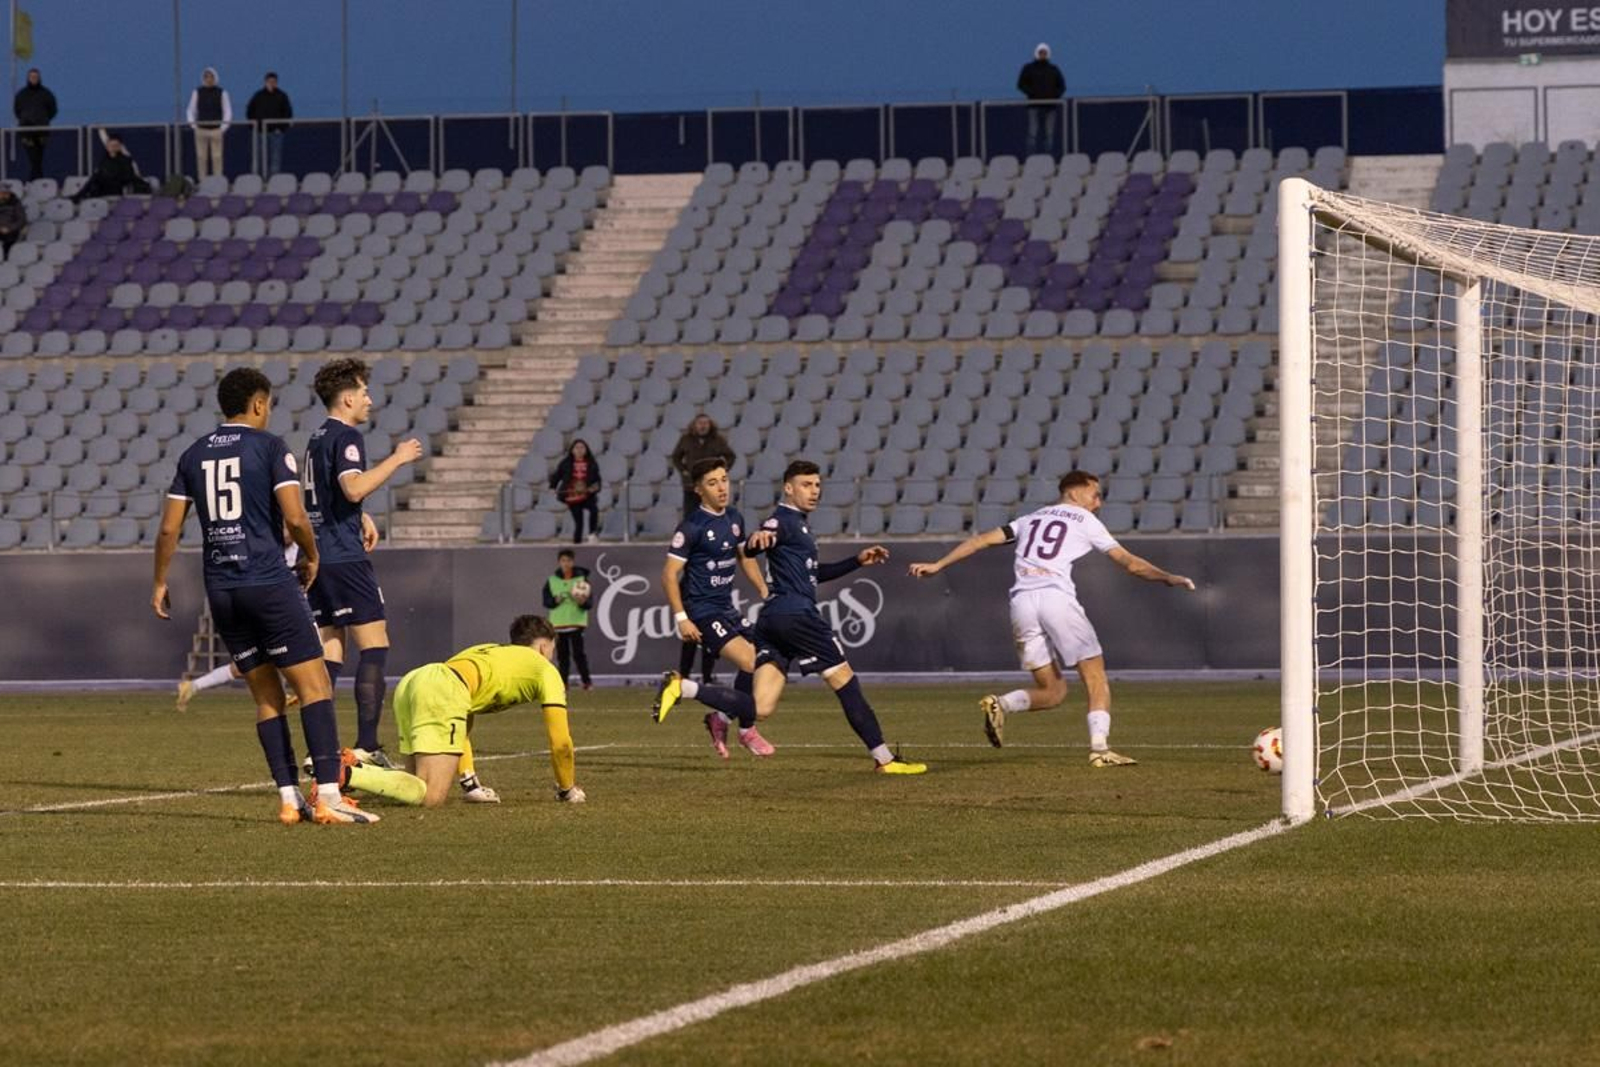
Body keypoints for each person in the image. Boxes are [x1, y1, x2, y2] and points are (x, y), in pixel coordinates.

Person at [151, 366, 373, 824]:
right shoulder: (270, 447)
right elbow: (294, 519)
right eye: (268, 405)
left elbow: (170, 527)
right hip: (268, 581)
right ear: (257, 404)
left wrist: (159, 581)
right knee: (316, 687)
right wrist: (312, 555)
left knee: (267, 698)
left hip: (223, 590)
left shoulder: (193, 455)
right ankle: (329, 796)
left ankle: (290, 799)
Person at [909, 470, 1195, 765]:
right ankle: (1100, 750)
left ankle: (1001, 704)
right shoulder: (1085, 520)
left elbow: (980, 540)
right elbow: (1130, 563)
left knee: (1054, 691)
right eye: (1095, 495)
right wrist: (1167, 577)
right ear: (1074, 492)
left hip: (1021, 604)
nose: (1098, 503)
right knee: (1095, 675)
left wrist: (938, 564)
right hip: (1055, 599)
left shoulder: (1028, 519)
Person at [660, 459, 926, 775]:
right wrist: (761, 539)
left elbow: (815, 574)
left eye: (816, 485)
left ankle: (686, 690)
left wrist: (856, 561)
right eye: (806, 485)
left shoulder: (799, 526)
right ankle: (885, 759)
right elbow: (765, 535)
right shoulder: (783, 520)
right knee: (845, 682)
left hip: (773, 621)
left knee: (761, 707)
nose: (814, 491)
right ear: (789, 488)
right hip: (797, 617)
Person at [302, 358, 424, 768]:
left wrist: (361, 517)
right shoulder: (347, 436)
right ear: (348, 397)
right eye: (365, 392)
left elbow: (326, 496)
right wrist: (397, 458)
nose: (370, 400)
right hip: (345, 558)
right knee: (374, 646)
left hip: (318, 556)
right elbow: (352, 488)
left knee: (331, 652)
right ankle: (368, 748)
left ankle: (320, 751)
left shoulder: (315, 438)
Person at [384, 614, 585, 807]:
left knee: (415, 787)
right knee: (431, 797)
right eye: (553, 648)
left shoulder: (490, 651)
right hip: (443, 688)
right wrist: (567, 788)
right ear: (544, 647)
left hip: (413, 681)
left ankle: (357, 772)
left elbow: (461, 712)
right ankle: (354, 774)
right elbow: (560, 742)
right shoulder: (545, 669)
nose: (552, 655)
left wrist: (470, 784)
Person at [652, 457, 777, 759]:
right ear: (698, 490)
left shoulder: (734, 518)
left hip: (727, 609)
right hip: (703, 611)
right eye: (713, 482)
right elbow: (669, 575)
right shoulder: (692, 527)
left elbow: (744, 557)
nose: (722, 487)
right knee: (750, 662)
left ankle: (720, 718)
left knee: (763, 658)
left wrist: (763, 589)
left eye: (724, 480)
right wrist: (682, 618)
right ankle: (745, 730)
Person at [543, 549, 594, 690]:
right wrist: (555, 600)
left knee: (579, 654)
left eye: (568, 561)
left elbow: (589, 603)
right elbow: (546, 602)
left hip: (576, 623)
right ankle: (563, 684)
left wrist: (581, 601)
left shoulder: (581, 580)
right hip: (558, 624)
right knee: (562, 656)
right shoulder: (552, 581)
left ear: (573, 562)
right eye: (563, 561)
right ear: (559, 562)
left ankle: (587, 682)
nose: (566, 564)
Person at [671, 413, 736, 514]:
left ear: (710, 425)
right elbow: (676, 457)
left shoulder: (717, 440)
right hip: (691, 485)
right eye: (700, 423)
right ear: (695, 425)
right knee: (691, 515)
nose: (703, 426)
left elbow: (730, 456)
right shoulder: (686, 439)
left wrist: (722, 471)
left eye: (706, 423)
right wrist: (683, 470)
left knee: (712, 514)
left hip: (712, 485)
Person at [1017, 43, 1066, 158]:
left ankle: (1048, 158)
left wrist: (1054, 96)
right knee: (1032, 133)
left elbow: (1062, 86)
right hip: (1033, 106)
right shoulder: (1028, 68)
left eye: (1044, 53)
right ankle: (1030, 157)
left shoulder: (1054, 69)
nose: (1042, 55)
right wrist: (1032, 93)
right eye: (1040, 53)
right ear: (1036, 53)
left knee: (1049, 134)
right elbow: (1020, 84)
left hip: (1050, 106)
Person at [548, 438, 601, 543]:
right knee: (579, 522)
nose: (579, 450)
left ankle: (592, 534)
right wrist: (552, 487)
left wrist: (593, 489)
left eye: (582, 447)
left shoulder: (592, 463)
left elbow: (597, 480)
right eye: (577, 447)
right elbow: (557, 476)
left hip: (587, 495)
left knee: (594, 510)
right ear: (572, 450)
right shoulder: (565, 463)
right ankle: (577, 545)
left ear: (586, 450)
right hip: (572, 496)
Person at [186, 67, 233, 179]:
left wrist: (223, 128)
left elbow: (227, 110)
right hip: (201, 130)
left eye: (211, 77)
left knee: (217, 157)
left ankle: (218, 181)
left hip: (216, 130)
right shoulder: (197, 92)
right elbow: (190, 110)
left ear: (215, 78)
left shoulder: (222, 92)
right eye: (206, 77)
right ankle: (202, 182)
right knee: (201, 157)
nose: (209, 79)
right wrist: (193, 125)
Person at [71, 133, 148, 201]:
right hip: (104, 186)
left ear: (119, 147)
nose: (112, 147)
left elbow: (128, 177)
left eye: (115, 145)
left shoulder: (125, 160)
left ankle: (80, 196)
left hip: (117, 187)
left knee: (97, 178)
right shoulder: (105, 160)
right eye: (110, 145)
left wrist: (111, 176)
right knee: (96, 177)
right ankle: (83, 197)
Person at [12, 68, 57, 182]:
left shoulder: (46, 94)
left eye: (36, 77)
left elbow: (53, 110)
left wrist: (43, 120)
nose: (34, 79)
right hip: (26, 132)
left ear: (39, 78)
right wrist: (26, 121)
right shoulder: (21, 95)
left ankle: (34, 183)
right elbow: (17, 111)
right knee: (34, 158)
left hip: (42, 132)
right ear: (28, 78)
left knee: (38, 158)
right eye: (31, 77)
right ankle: (37, 182)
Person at [245, 71, 293, 177]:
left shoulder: (282, 96)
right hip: (260, 132)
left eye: (274, 81)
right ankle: (256, 179)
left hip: (276, 133)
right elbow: (249, 111)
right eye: (269, 81)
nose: (272, 83)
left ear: (276, 83)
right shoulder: (258, 96)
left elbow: (288, 113)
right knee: (258, 157)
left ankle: (274, 181)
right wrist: (254, 127)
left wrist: (281, 128)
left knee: (276, 157)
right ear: (265, 82)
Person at [0, 187, 25, 259]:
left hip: (9, 230)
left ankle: (6, 258)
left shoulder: (15, 203)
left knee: (9, 239)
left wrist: (9, 228)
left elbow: (21, 220)